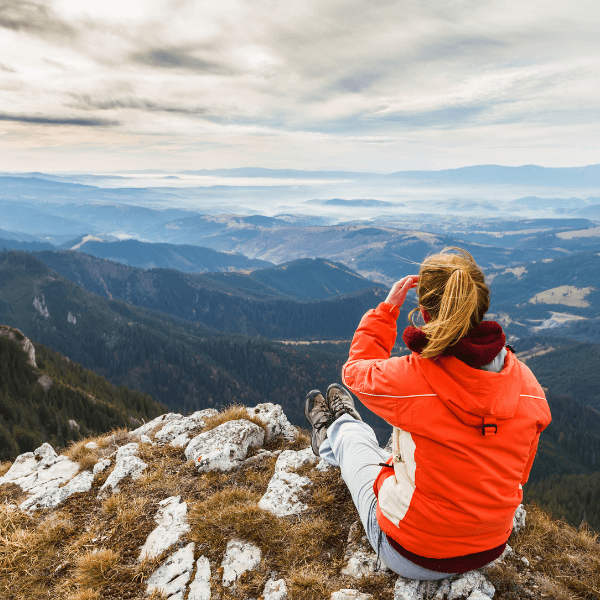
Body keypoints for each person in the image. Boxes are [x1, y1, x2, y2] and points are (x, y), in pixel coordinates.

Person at [305, 247, 552, 580]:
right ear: (480, 305)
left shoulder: (413, 377)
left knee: (356, 441)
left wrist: (386, 311)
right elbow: (519, 472)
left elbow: (356, 372)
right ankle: (345, 430)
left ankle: (336, 429)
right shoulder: (528, 387)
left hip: (413, 554)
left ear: (424, 311)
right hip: (491, 546)